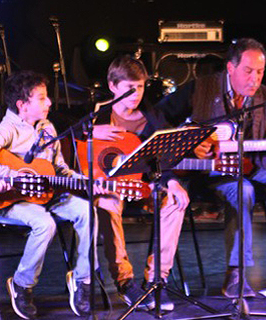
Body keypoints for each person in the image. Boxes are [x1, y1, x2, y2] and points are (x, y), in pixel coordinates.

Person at [156, 38, 266, 297]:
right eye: (248, 71)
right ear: (230, 69)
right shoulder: (201, 88)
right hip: (210, 173)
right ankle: (236, 273)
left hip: (252, 169)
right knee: (242, 191)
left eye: (260, 72)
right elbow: (157, 117)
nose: (255, 79)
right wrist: (189, 140)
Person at [0, 70, 102, 319]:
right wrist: (12, 174)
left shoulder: (48, 127)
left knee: (87, 211)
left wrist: (88, 182)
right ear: (22, 105)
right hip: (13, 200)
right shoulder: (7, 129)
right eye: (41, 98)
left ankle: (83, 280)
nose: (49, 103)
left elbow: (59, 169)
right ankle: (23, 284)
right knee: (44, 223)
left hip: (48, 194)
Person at [87, 55, 189, 311]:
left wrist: (173, 182)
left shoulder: (152, 116)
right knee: (109, 201)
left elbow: (165, 157)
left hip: (142, 186)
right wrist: (88, 131)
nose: (135, 95)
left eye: (140, 88)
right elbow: (61, 131)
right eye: (129, 89)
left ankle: (157, 279)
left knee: (175, 201)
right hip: (108, 188)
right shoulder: (98, 113)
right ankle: (125, 282)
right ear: (113, 86)